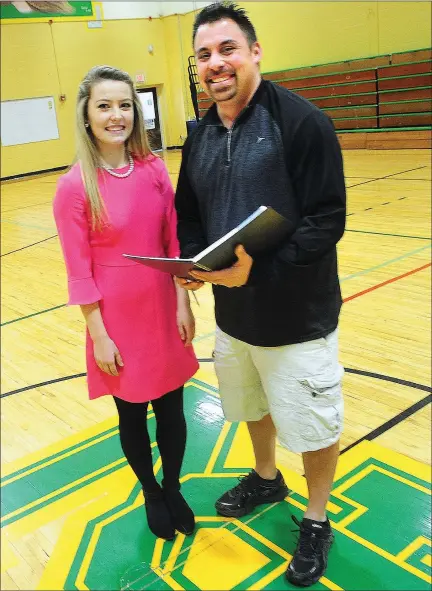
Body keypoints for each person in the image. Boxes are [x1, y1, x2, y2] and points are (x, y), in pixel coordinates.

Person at [175, 3, 346, 586]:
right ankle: (267, 478)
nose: (215, 63)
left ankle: (318, 518)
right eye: (204, 55)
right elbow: (190, 213)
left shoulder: (302, 123)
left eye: (227, 49)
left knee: (313, 425)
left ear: (254, 53)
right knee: (252, 408)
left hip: (298, 317)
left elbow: (327, 220)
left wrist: (262, 275)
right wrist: (196, 262)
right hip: (234, 316)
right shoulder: (198, 134)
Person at [53, 65, 199, 542]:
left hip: (162, 305)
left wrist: (183, 302)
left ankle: (174, 486)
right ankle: (151, 491)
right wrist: (98, 335)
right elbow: (79, 271)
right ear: (87, 115)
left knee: (173, 409)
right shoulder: (75, 187)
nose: (116, 115)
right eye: (104, 105)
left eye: (124, 105)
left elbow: (173, 240)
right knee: (132, 413)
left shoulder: (154, 169)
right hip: (115, 318)